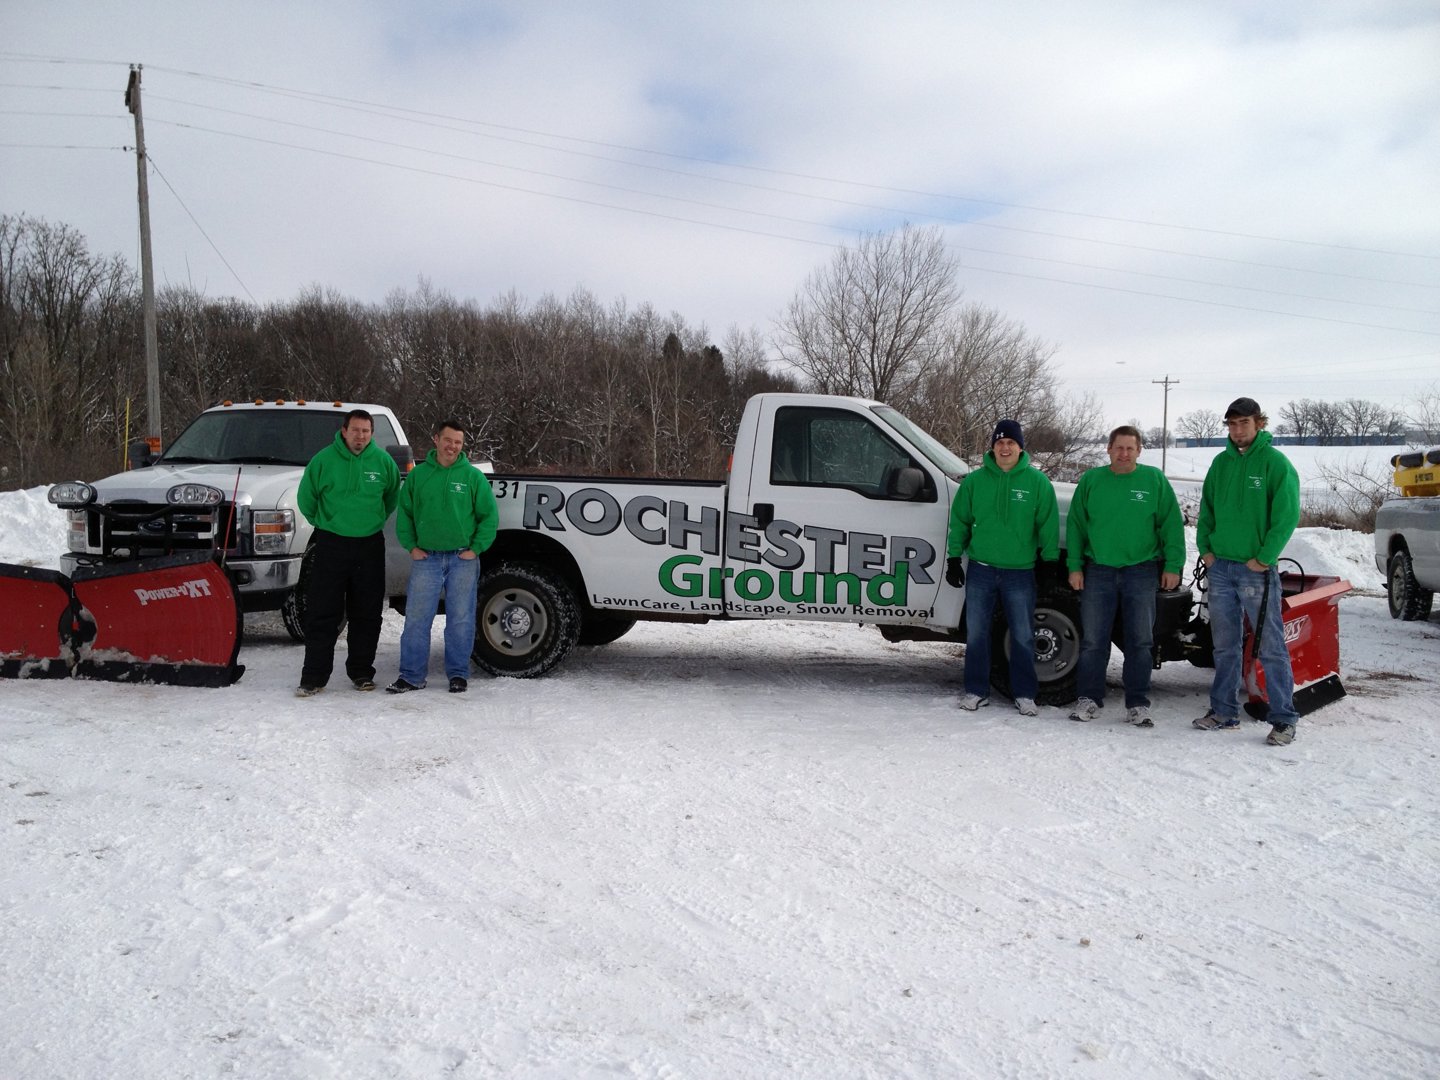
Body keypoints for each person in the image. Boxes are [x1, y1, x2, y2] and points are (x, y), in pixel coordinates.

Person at [1193, 397, 1302, 746]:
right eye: (1232, 424)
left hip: (1256, 570)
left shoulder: (1275, 463)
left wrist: (1265, 557)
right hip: (1221, 567)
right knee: (1224, 646)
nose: (1238, 430)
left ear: (1259, 424)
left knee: (1270, 646)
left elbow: (1286, 515)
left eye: (1244, 423)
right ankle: (1224, 712)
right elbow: (1207, 509)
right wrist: (1206, 549)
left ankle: (1284, 719)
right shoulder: (1220, 463)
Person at [1065, 426, 1185, 727]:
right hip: (1099, 570)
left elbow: (1171, 525)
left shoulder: (1153, 480)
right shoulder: (1092, 480)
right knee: (1094, 640)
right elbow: (1077, 526)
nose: (1124, 453)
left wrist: (1173, 565)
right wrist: (1075, 566)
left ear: (1139, 451)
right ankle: (1089, 698)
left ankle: (1138, 703)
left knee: (1140, 641)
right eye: (1119, 447)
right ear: (1108, 449)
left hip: (1141, 571)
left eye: (1130, 448)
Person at [946, 418, 1059, 716]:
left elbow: (1047, 525)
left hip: (1020, 572)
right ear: (993, 447)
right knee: (977, 633)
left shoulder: (1037, 482)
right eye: (1000, 442)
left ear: (1020, 447)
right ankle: (976, 690)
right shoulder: (975, 482)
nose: (1005, 448)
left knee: (1022, 635)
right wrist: (954, 558)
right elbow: (959, 521)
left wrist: (1049, 562)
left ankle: (1024, 693)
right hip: (981, 570)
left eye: (1010, 442)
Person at [386, 419, 499, 694]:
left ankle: (458, 674)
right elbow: (405, 514)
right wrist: (412, 547)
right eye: (448, 440)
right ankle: (411, 676)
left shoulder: (472, 477)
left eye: (458, 442)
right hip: (427, 559)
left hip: (462, 560)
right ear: (436, 439)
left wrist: (475, 549)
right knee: (417, 619)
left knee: (460, 619)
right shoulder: (418, 476)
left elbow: (488, 517)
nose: (453, 446)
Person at [295, 409, 401, 697]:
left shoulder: (383, 462)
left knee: (367, 613)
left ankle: (362, 672)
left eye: (366, 431)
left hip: (369, 545)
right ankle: (313, 676)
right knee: (322, 612)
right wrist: (328, 522)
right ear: (344, 431)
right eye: (355, 430)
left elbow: (391, 497)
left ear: (371, 433)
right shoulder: (323, 460)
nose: (360, 436)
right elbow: (306, 499)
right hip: (331, 544)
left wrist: (371, 520)